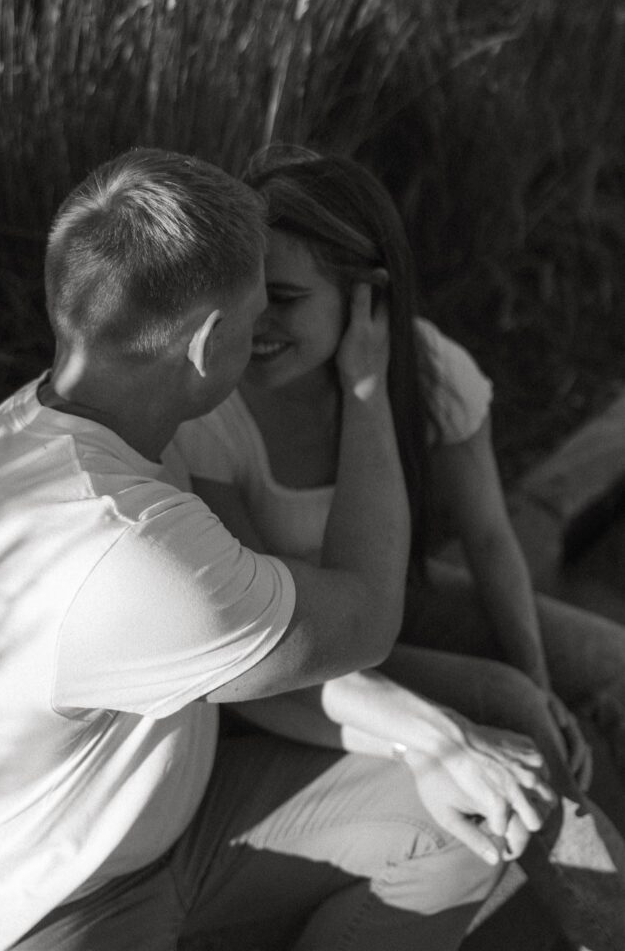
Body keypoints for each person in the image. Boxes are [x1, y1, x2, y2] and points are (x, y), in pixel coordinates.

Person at [0, 147, 562, 951]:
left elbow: (254, 665)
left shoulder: (37, 429)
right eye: (255, 307)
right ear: (206, 346)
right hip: (52, 912)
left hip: (179, 830)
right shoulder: (130, 549)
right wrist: (367, 393)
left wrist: (436, 742)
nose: (266, 327)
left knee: (454, 822)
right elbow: (366, 617)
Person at [169, 145, 625, 949]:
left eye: (283, 298)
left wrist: (539, 674)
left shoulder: (430, 370)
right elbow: (262, 645)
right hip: (312, 657)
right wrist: (522, 697)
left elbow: (489, 538)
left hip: (396, 601)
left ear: (365, 296)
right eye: (244, 296)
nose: (256, 324)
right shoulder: (217, 412)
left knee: (603, 666)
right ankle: (599, 922)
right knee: (511, 709)